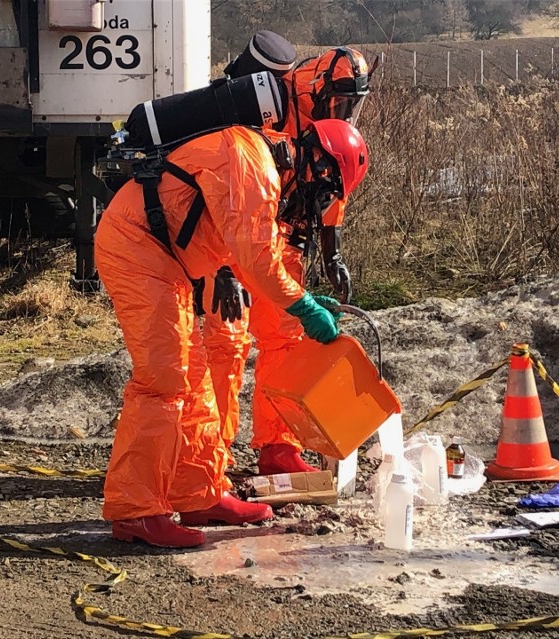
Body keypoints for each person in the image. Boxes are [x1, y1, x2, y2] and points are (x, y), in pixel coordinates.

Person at [95, 119, 369, 548]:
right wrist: (302, 304)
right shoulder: (254, 165)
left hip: (166, 262)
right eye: (327, 191)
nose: (318, 202)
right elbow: (257, 259)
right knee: (163, 383)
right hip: (137, 249)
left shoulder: (263, 164)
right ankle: (136, 510)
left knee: (196, 381)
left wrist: (302, 296)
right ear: (319, 166)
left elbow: (250, 250)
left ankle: (198, 494)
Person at [202, 43, 372, 475]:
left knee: (284, 342)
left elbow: (329, 187)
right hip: (237, 234)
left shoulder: (328, 124)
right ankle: (208, 457)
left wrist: (332, 251)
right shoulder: (268, 104)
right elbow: (221, 186)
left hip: (284, 239)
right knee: (227, 345)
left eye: (351, 103)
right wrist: (220, 266)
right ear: (318, 86)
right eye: (339, 101)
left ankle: (278, 447)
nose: (344, 111)